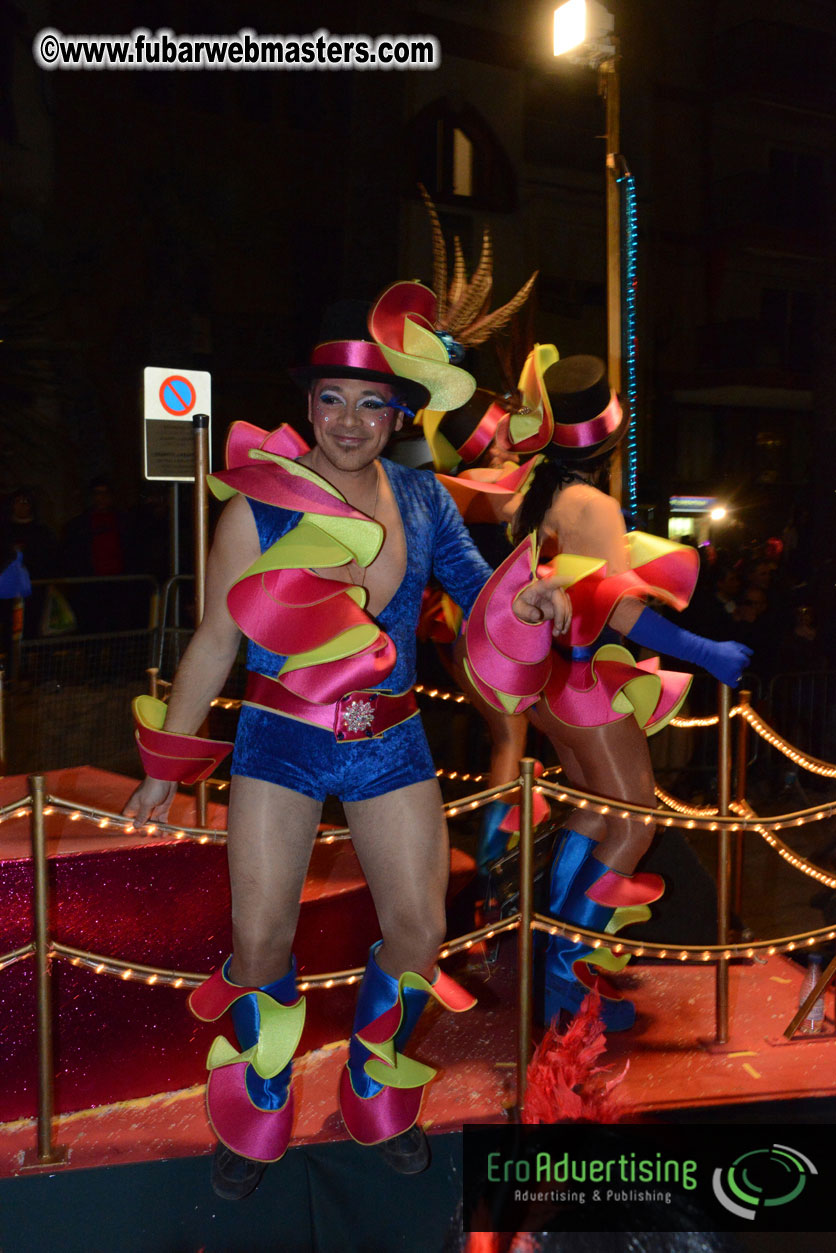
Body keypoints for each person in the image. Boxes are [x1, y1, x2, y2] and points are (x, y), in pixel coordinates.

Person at [122, 282, 573, 1200]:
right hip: (279, 740)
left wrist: (528, 598)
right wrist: (166, 765)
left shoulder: (423, 498)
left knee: (421, 930)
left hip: (389, 739)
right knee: (259, 939)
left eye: (372, 403)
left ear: (397, 414)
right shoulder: (258, 508)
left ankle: (372, 1079)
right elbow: (214, 639)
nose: (350, 420)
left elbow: (480, 591)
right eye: (332, 398)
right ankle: (262, 1091)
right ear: (309, 404)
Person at [464, 351, 752, 1031]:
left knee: (596, 816)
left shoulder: (538, 496)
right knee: (634, 822)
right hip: (586, 682)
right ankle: (565, 975)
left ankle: (554, 955)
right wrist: (705, 652)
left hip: (550, 684)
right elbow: (616, 608)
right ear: (610, 442)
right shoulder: (590, 504)